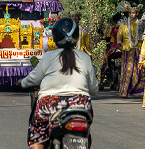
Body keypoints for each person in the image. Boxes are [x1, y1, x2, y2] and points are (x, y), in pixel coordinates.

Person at [20, 18, 99, 149]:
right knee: (86, 132)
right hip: (82, 105)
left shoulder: (48, 56)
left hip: (49, 104)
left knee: (37, 132)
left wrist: (22, 82)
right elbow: (94, 89)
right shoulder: (85, 57)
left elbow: (33, 79)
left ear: (55, 37)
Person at [116, 1, 145, 98]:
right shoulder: (123, 24)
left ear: (137, 13)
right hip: (127, 50)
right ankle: (124, 91)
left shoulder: (141, 23)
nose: (132, 14)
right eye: (130, 13)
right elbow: (118, 37)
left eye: (134, 13)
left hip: (138, 49)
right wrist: (119, 46)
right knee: (127, 70)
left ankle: (140, 91)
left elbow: (144, 36)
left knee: (139, 70)